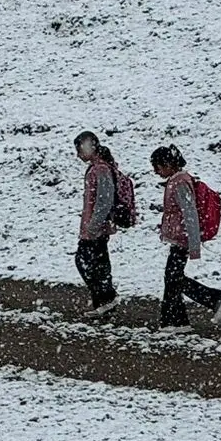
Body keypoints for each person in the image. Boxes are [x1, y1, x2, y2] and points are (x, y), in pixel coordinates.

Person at [151, 144, 221, 330]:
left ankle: (213, 300)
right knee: (173, 278)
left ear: (168, 163)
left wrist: (193, 243)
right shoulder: (178, 180)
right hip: (181, 237)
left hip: (183, 239)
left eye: (157, 166)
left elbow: (189, 213)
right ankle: (175, 320)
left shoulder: (180, 182)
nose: (156, 171)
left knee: (174, 278)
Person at [73, 131, 128, 317]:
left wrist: (93, 225)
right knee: (98, 263)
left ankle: (106, 298)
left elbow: (104, 201)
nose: (78, 154)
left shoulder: (101, 169)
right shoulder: (98, 168)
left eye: (79, 149)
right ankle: (103, 303)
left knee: (86, 261)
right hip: (96, 226)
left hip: (96, 228)